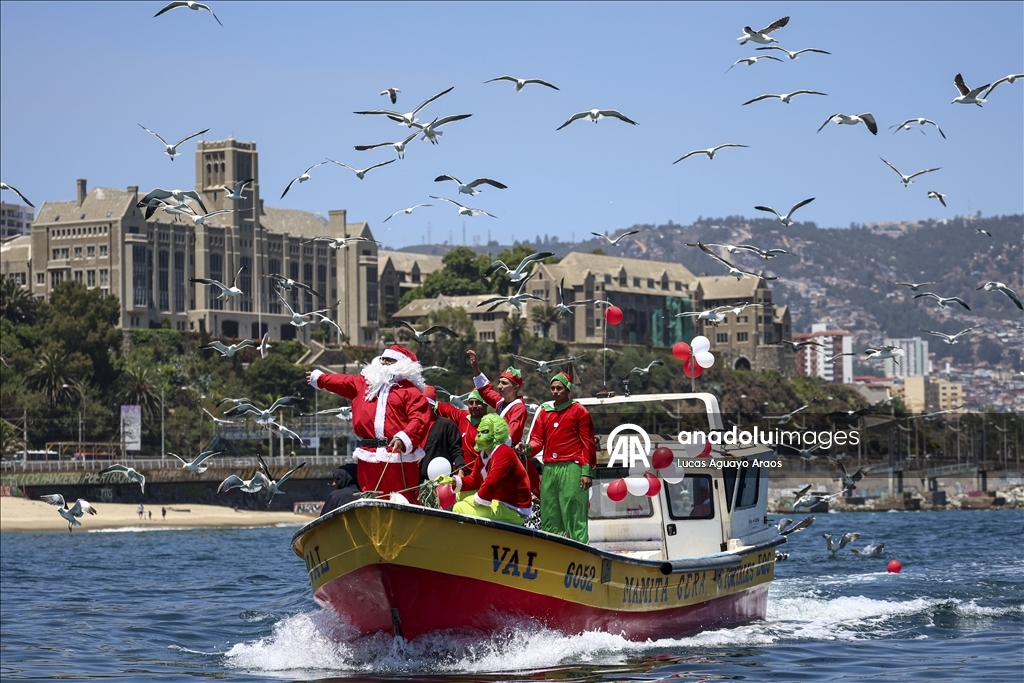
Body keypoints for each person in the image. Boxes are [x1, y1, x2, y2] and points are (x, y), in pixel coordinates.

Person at [307, 344, 431, 498]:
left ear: (403, 365)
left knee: (402, 498)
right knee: (371, 496)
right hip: (369, 455)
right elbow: (342, 382)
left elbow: (420, 419)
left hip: (398, 456)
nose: (384, 363)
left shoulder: (411, 392)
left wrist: (404, 437)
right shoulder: (363, 384)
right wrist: (320, 379)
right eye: (383, 359)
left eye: (390, 360)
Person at [527, 371, 596, 544]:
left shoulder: (579, 411)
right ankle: (553, 552)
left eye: (559, 388)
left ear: (568, 390)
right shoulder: (544, 412)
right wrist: (526, 449)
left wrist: (586, 472)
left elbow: (588, 443)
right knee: (549, 513)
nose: (555, 391)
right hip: (549, 468)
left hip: (572, 467)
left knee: (574, 513)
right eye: (552, 388)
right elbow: (537, 440)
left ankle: (580, 550)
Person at [467, 350, 540, 497]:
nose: (499, 386)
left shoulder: (519, 407)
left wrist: (492, 445)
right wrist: (475, 367)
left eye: (504, 383)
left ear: (515, 387)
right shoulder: (501, 402)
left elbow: (511, 432)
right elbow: (485, 390)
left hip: (511, 455)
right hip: (497, 452)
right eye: (499, 382)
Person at [442, 414, 532, 525]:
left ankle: (463, 536)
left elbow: (492, 480)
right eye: (479, 432)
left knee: (460, 508)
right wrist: (452, 480)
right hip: (497, 497)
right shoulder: (483, 455)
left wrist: (477, 499)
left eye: (484, 432)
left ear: (496, 433)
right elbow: (474, 480)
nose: (479, 435)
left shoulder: (504, 452)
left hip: (512, 507)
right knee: (458, 494)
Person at [434, 388, 489, 496]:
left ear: (486, 405)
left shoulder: (491, 424)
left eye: (478, 402)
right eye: (470, 403)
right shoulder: (463, 416)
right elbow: (441, 407)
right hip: (460, 475)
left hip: (479, 480)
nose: (473, 406)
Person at [420, 386, 465, 482]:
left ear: (432, 406)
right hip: (414, 480)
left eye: (426, 405)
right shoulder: (411, 426)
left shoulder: (447, 425)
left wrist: (460, 469)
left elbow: (456, 450)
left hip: (440, 481)